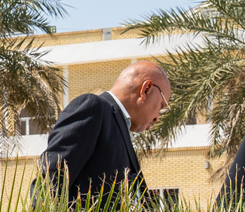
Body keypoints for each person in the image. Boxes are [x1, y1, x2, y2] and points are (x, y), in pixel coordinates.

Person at [36, 59, 171, 201]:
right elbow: (51, 181)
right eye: (161, 106)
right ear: (146, 89)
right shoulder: (93, 108)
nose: (157, 118)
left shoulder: (119, 127)